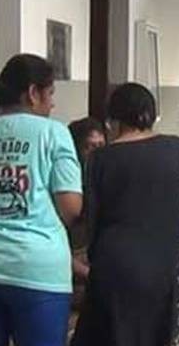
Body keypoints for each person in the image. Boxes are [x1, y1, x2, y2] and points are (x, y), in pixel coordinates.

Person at [0, 54, 83, 346]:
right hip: (37, 271)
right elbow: (71, 206)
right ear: (33, 93)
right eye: (50, 94)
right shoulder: (54, 133)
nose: (52, 104)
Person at [71, 83, 179, 346]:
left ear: (113, 120)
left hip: (118, 266)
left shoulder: (99, 160)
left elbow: (93, 222)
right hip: (174, 263)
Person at [67, 117, 105, 280]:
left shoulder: (107, 180)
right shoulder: (67, 185)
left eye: (101, 146)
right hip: (70, 261)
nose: (97, 153)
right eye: (90, 146)